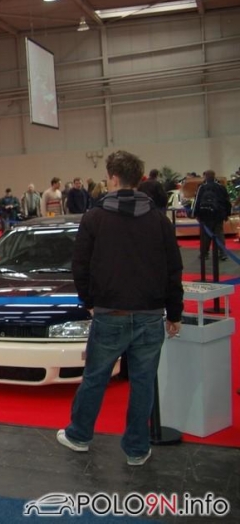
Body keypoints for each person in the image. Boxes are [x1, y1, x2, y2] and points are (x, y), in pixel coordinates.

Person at [58, 150, 183, 466]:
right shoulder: (158, 220)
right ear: (138, 179)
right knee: (143, 382)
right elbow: (173, 269)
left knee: (95, 377)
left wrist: (89, 301)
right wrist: (175, 313)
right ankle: (137, 449)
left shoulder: (94, 218)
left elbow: (80, 266)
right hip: (150, 314)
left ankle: (79, 435)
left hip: (109, 312)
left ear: (113, 178)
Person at [191, 170, 231, 262]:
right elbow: (227, 201)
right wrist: (227, 214)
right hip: (218, 214)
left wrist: (195, 214)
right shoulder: (221, 187)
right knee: (219, 233)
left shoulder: (202, 187)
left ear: (206, 176)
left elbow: (197, 201)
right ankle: (222, 253)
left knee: (205, 235)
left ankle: (204, 254)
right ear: (214, 176)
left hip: (205, 215)